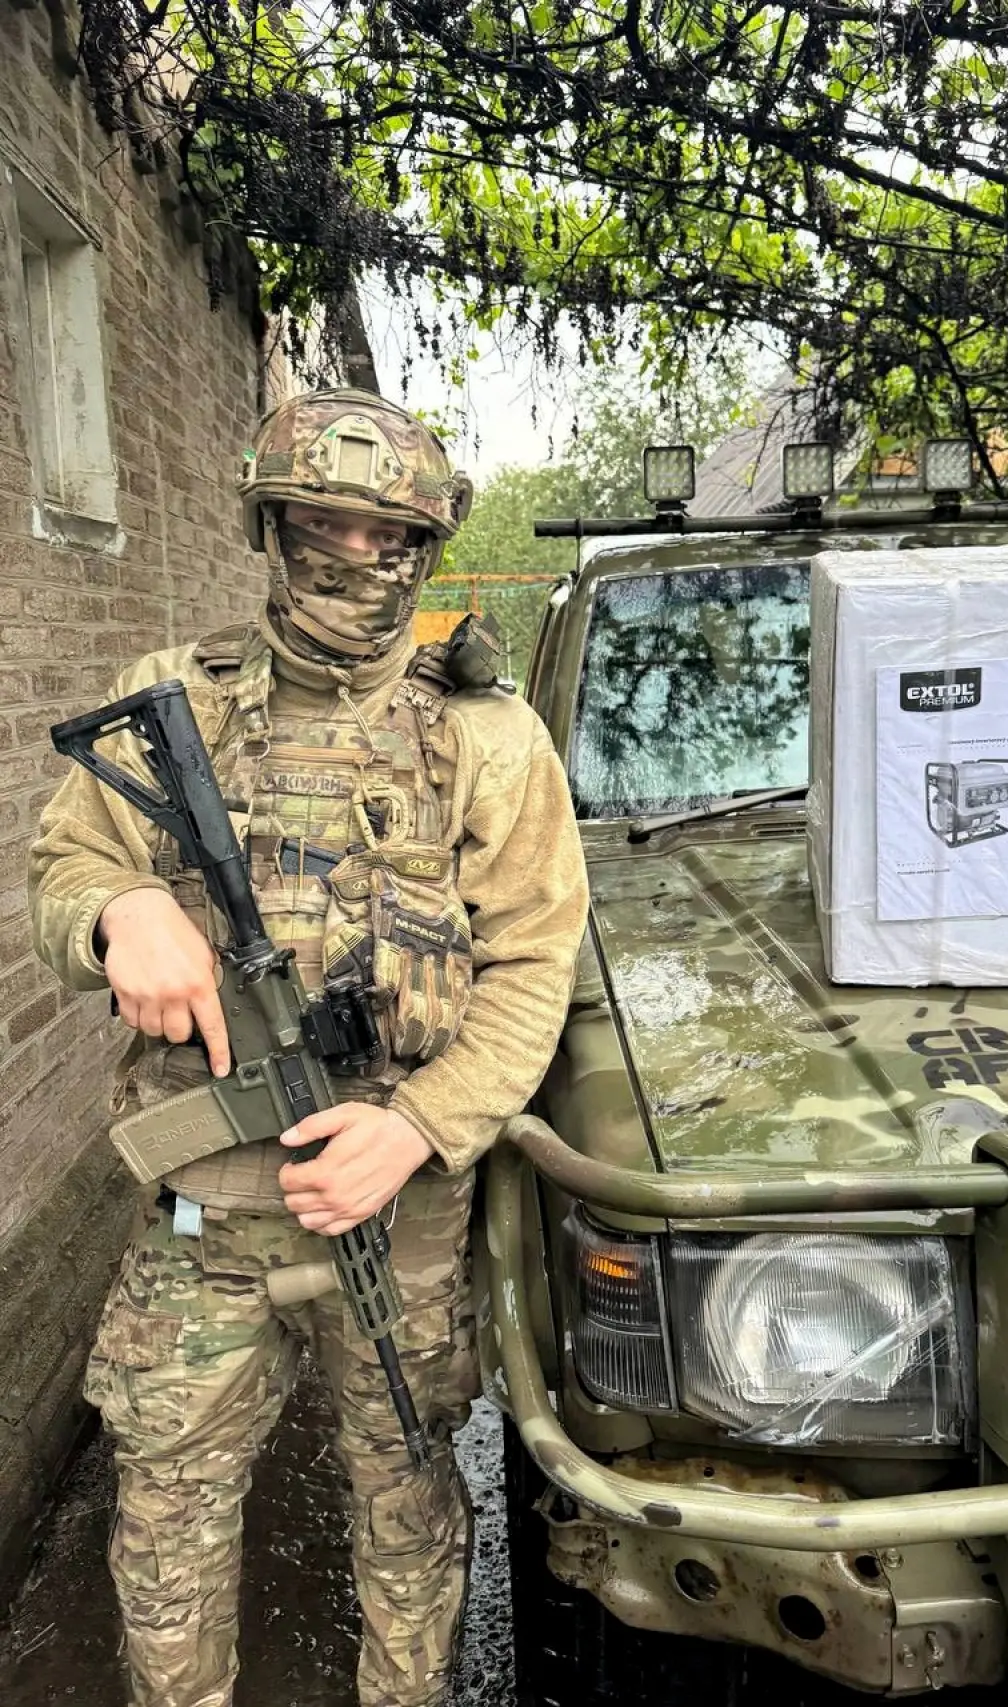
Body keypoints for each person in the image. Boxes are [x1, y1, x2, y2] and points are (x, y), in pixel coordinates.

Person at [28, 389, 590, 1707]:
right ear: (270, 529)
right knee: (166, 1503)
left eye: (389, 537)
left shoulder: (488, 738)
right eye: (324, 526)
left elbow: (532, 968)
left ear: (427, 550)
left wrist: (418, 1125)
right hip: (201, 1212)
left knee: (406, 1486)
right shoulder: (172, 702)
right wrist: (118, 914)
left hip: (398, 1213)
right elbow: (65, 862)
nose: (357, 558)